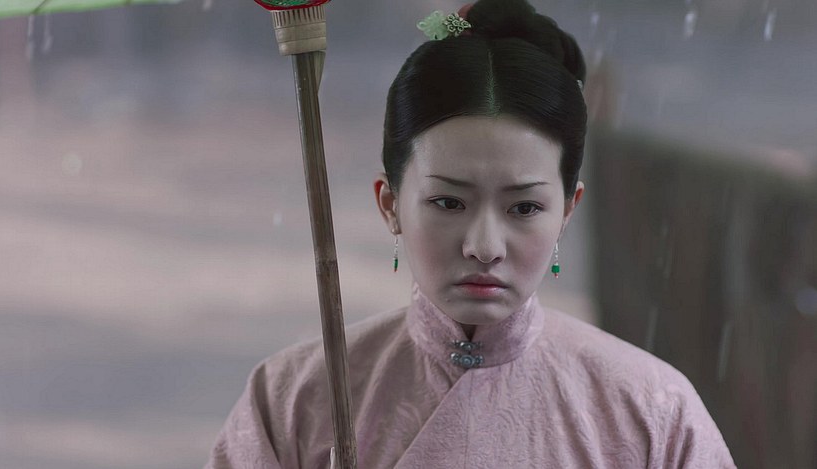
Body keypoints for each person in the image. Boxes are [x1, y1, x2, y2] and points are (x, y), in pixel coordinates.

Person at [205, 0, 736, 467]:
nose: (483, 247)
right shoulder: (293, 399)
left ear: (568, 210)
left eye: (524, 207)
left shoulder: (652, 411)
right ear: (390, 204)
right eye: (448, 202)